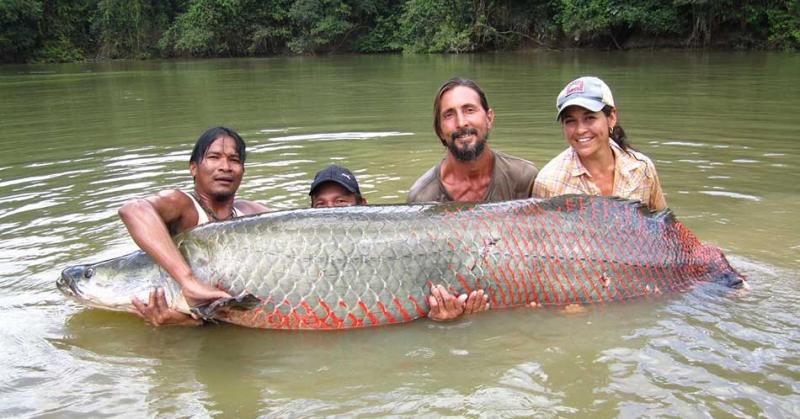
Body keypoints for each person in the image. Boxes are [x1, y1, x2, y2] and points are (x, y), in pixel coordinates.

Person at [122, 126, 268, 326]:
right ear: (193, 167)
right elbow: (133, 209)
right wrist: (188, 281)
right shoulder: (183, 205)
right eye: (214, 157)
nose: (225, 166)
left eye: (234, 160)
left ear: (243, 171)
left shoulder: (253, 212)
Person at [533, 76, 667, 211]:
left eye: (590, 118)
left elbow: (664, 225)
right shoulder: (549, 182)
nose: (580, 130)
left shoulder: (641, 168)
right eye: (570, 121)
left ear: (612, 118)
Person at [407, 77, 539, 203]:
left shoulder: (524, 178)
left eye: (469, 110)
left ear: (489, 119)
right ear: (440, 131)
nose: (461, 122)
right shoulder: (422, 197)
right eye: (449, 115)